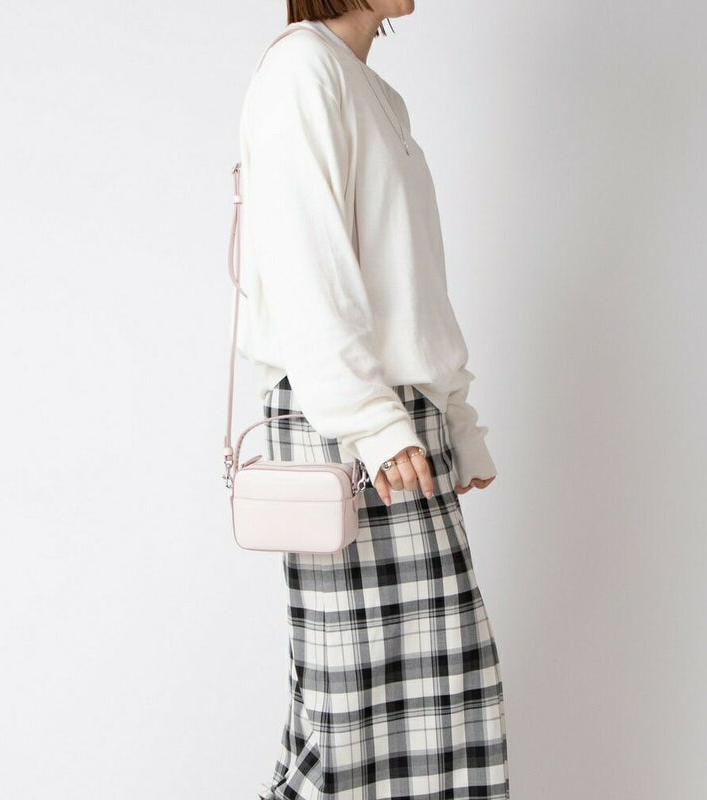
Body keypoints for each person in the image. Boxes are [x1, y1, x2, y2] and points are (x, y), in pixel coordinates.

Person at [237, 1, 509, 797]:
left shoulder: (374, 92)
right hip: (349, 426)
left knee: (429, 710)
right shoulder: (302, 69)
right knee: (356, 722)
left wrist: (454, 417)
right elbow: (305, 271)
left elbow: (406, 276)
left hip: (392, 421)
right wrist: (374, 424)